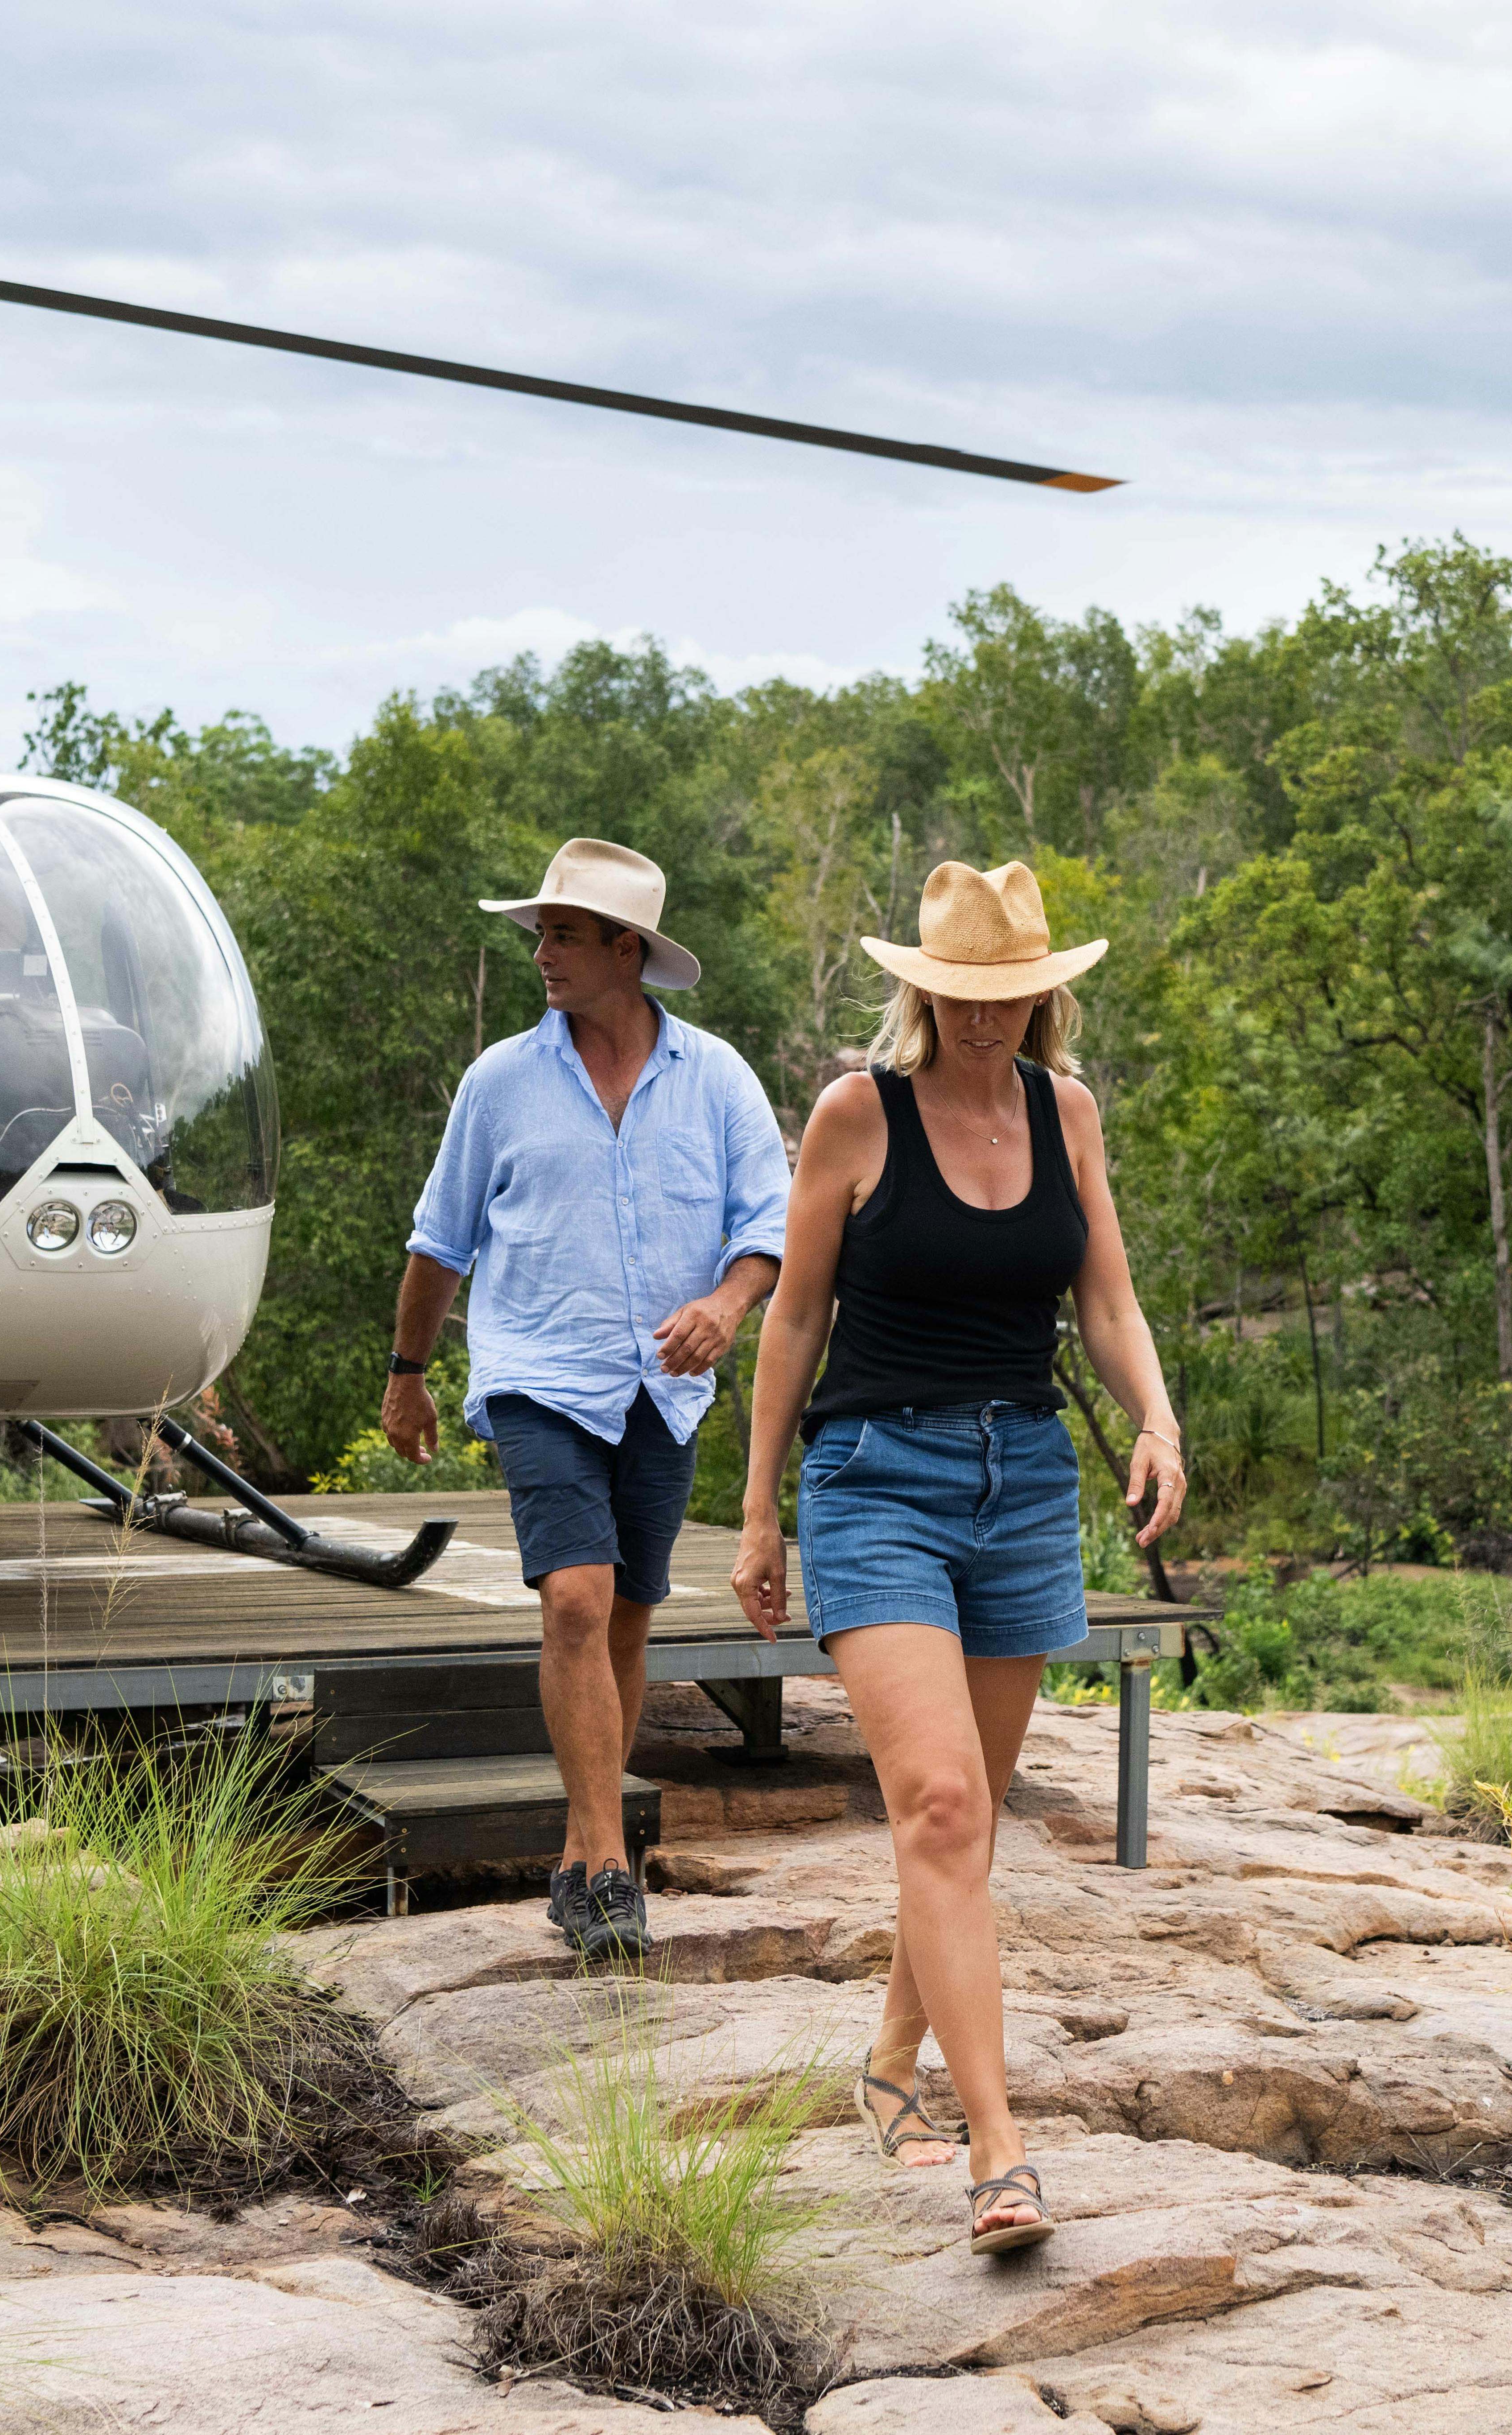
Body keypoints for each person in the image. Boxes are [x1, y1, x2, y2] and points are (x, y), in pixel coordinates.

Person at [731, 860, 1186, 2258]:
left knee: (967, 1816)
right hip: (876, 1481)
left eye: (1012, 996)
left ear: (1046, 991)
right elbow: (795, 1319)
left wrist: (1158, 1416)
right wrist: (761, 1510)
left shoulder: (1070, 1113)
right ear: (920, 988)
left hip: (1026, 1484)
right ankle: (999, 2146)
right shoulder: (856, 1114)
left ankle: (888, 2059)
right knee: (937, 1804)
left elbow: (1103, 1294)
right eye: (960, 996)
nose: (987, 1019)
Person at [388, 838, 791, 1965]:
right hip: (539, 1374)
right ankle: (612, 1866)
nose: (542, 955)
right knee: (574, 1597)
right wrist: (407, 1372)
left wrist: (725, 1302)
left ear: (629, 951)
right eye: (540, 934)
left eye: (563, 935)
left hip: (663, 1393)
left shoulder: (716, 1080)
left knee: (623, 1615)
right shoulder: (499, 1082)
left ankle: (581, 1841)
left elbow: (774, 1223)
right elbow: (439, 1241)